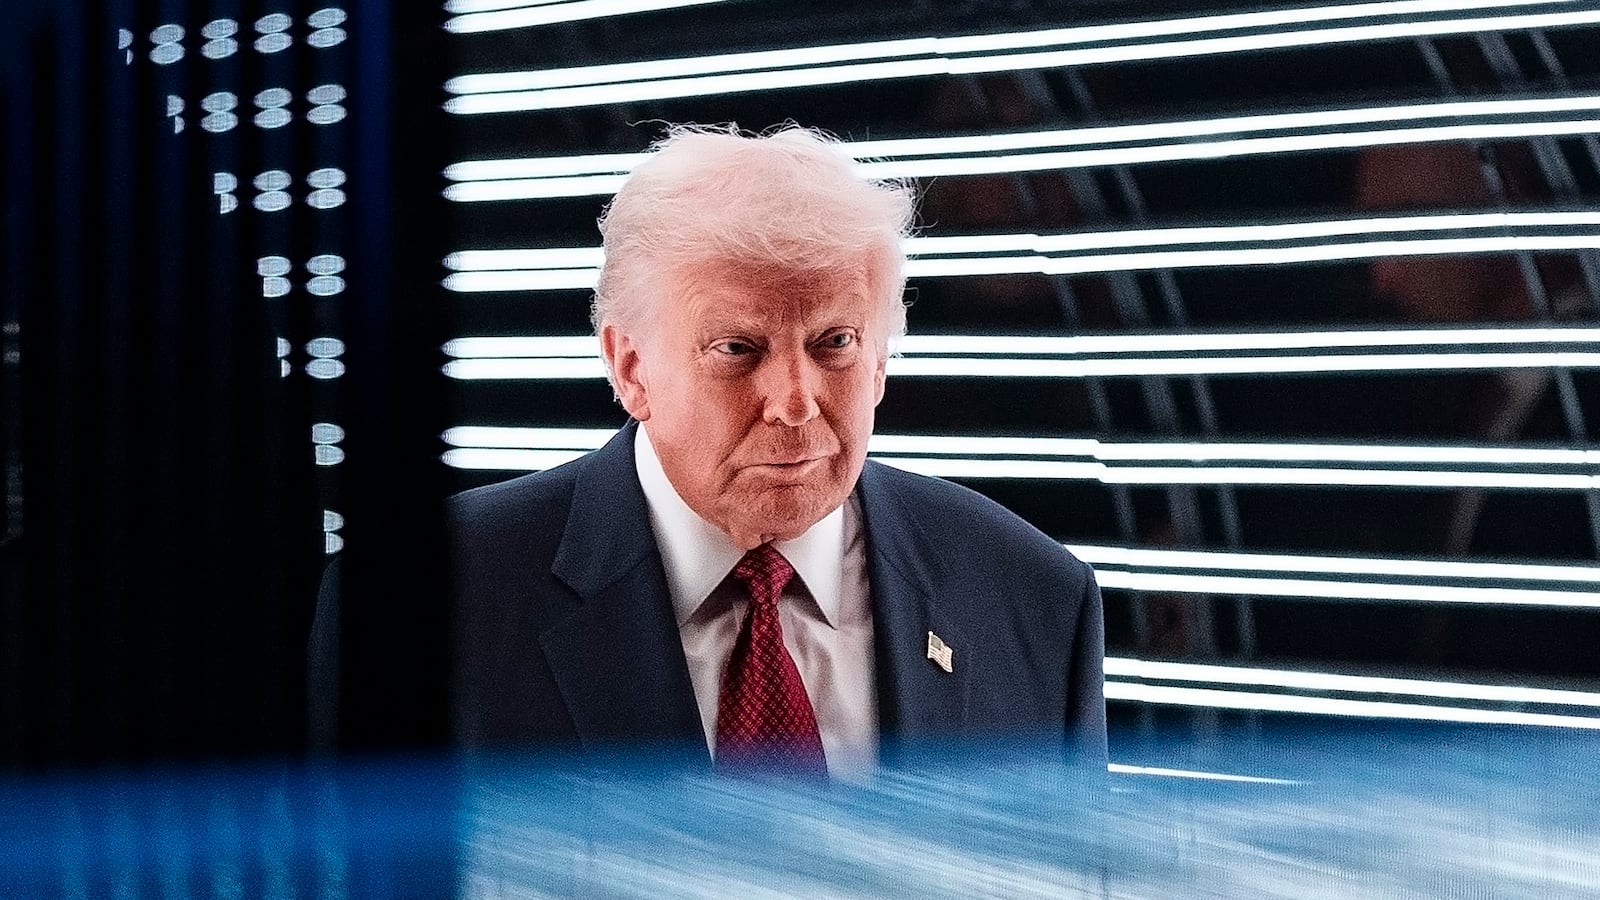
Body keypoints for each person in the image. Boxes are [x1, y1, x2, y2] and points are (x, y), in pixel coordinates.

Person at [448, 124, 1105, 776]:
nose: (796, 402)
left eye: (835, 343)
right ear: (631, 368)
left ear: (880, 361)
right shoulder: (445, 595)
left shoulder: (1034, 599)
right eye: (738, 348)